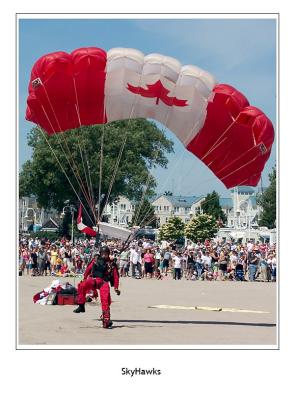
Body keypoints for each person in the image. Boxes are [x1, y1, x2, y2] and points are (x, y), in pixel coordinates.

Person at [73, 246, 120, 329]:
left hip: (103, 283)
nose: (104, 255)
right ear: (100, 253)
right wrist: (84, 278)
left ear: (108, 254)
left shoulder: (111, 264)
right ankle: (81, 306)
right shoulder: (95, 260)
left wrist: (116, 287)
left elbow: (116, 276)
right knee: (81, 286)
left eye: (106, 254)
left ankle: (106, 321)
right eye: (103, 254)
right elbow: (88, 269)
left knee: (105, 300)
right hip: (93, 280)